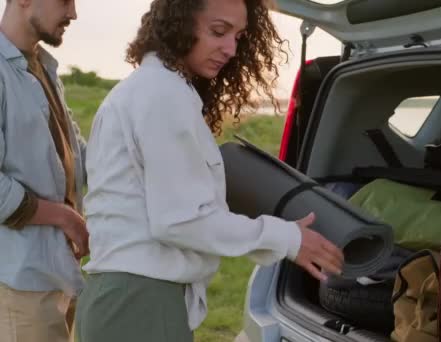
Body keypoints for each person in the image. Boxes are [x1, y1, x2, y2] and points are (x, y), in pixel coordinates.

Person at [74, 0, 344, 341]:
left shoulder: (147, 89)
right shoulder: (161, 94)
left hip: (125, 298)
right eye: (218, 31)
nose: (231, 49)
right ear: (180, 23)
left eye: (239, 36)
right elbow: (181, 220)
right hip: (140, 303)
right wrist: (287, 238)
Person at [0, 0, 89, 341]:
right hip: (18, 285)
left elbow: (76, 157)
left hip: (57, 275)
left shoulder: (43, 67)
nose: (73, 13)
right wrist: (65, 217)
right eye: (65, 1)